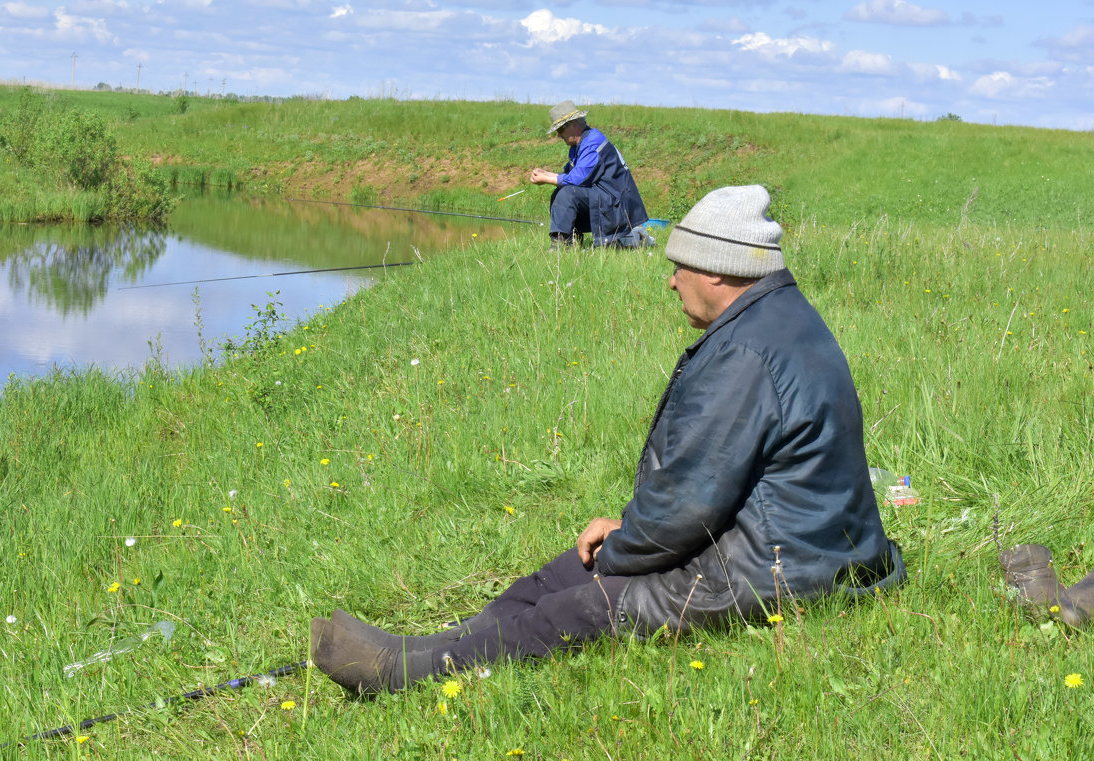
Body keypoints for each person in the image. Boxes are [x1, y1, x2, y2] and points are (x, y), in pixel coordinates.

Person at [311, 185, 905, 694]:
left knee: (581, 604)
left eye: (680, 266)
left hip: (780, 567)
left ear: (721, 269)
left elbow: (687, 506)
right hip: (805, 544)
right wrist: (623, 536)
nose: (671, 283)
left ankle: (399, 673)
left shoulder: (746, 353)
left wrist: (620, 554)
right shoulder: (780, 318)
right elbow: (711, 490)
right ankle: (437, 644)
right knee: (560, 572)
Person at [528, 100, 650, 249]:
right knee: (561, 192)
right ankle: (571, 240)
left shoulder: (593, 142)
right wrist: (547, 174)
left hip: (617, 206)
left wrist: (547, 178)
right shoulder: (578, 145)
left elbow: (577, 180)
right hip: (607, 200)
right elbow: (571, 175)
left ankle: (560, 247)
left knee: (566, 193)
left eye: (560, 130)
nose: (559, 135)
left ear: (573, 124)